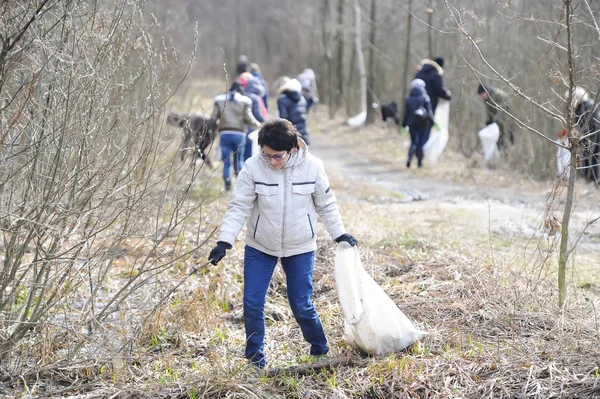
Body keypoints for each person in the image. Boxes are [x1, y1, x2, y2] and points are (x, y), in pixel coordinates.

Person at [208, 119, 357, 370]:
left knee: (301, 304)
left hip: (300, 246)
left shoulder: (313, 166)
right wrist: (225, 240)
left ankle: (319, 349)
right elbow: (239, 206)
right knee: (252, 304)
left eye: (277, 156)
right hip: (260, 245)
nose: (272, 162)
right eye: (267, 156)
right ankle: (255, 360)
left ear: (293, 149)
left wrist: (339, 233)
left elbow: (326, 204)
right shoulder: (253, 167)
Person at [210, 81, 261, 190]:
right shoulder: (245, 101)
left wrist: (213, 129)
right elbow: (249, 118)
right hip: (239, 134)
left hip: (225, 133)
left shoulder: (219, 100)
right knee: (239, 160)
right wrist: (259, 126)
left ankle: (227, 186)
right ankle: (240, 185)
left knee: (226, 162)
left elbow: (213, 118)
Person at [568, 86, 599, 182]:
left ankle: (592, 180)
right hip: (588, 137)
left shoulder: (588, 106)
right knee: (586, 157)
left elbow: (591, 124)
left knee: (592, 157)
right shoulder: (580, 107)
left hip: (594, 137)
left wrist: (582, 136)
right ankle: (588, 178)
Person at [401, 79, 435, 168]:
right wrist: (434, 123)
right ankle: (419, 162)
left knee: (414, 142)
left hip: (411, 124)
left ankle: (409, 158)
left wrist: (404, 125)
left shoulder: (408, 98)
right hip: (423, 124)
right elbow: (429, 112)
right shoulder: (425, 98)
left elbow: (406, 114)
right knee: (421, 143)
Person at [237, 72, 268, 161]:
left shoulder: (241, 95)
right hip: (251, 130)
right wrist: (267, 122)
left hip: (240, 129)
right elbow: (258, 115)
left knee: (239, 156)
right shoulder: (255, 98)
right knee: (248, 155)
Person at [477, 84, 514, 151]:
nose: (482, 97)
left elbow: (501, 112)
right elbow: (490, 112)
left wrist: (495, 121)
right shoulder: (486, 99)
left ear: (486, 91)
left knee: (504, 130)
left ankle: (507, 149)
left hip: (505, 112)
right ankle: (500, 149)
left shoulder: (498, 95)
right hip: (497, 116)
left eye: (482, 95)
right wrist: (489, 121)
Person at [277, 78, 310, 145]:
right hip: (303, 132)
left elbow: (283, 118)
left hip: (290, 133)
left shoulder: (282, 99)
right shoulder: (302, 98)